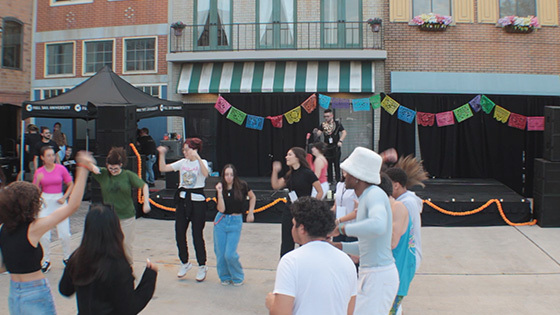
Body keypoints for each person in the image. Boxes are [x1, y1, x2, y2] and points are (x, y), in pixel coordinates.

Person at [0, 151, 94, 314]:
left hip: (14, 293)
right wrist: (83, 168)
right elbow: (73, 206)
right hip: (35, 292)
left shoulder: (3, 229)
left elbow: (2, 267)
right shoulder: (33, 228)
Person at [331, 147, 399, 314]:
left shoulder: (374, 195)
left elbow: (378, 225)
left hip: (378, 276)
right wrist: (338, 246)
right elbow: (366, 247)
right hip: (372, 274)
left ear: (358, 176)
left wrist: (341, 228)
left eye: (348, 172)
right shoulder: (367, 196)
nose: (344, 175)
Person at [59, 204, 158, 315]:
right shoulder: (118, 265)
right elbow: (129, 308)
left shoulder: (77, 258)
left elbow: (65, 290)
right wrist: (150, 277)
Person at [266, 197, 357, 315]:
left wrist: (272, 303)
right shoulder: (346, 261)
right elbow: (349, 310)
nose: (292, 229)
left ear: (302, 229)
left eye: (294, 225)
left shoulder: (291, 261)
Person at [157, 138, 210, 281]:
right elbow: (163, 168)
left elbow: (205, 174)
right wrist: (161, 154)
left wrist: (197, 157)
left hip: (197, 201)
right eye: (184, 149)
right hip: (182, 200)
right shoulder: (183, 163)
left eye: (187, 149)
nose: (184, 152)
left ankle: (202, 265)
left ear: (194, 149)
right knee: (179, 232)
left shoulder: (202, 162)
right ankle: (185, 262)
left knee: (197, 234)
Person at [87, 147, 151, 265]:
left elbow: (144, 186)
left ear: (121, 165)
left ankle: (128, 267)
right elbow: (86, 164)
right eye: (110, 168)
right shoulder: (104, 174)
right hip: (109, 216)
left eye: (116, 168)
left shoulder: (127, 175)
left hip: (126, 215)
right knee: (108, 244)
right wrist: (92, 166)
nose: (113, 171)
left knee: (126, 244)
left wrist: (146, 203)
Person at [271, 147, 323, 257]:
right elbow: (276, 185)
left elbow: (320, 192)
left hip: (303, 211)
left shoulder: (308, 173)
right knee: (286, 241)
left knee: (303, 240)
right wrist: (275, 171)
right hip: (289, 210)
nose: (286, 157)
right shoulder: (290, 174)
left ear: (297, 157)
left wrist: (311, 206)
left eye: (289, 155)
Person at [378, 173, 416, 315]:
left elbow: (392, 242)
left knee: (390, 310)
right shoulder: (388, 208)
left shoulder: (398, 207)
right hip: (394, 268)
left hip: (399, 268)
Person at [33, 146, 74, 273]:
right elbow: (35, 189)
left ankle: (67, 257)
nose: (52, 158)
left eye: (53, 155)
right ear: (43, 158)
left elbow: (71, 184)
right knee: (44, 235)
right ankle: (46, 259)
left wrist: (64, 197)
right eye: (49, 155)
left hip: (59, 200)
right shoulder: (39, 172)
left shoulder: (61, 169)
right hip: (45, 201)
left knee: (65, 234)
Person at [214, 164, 256, 286]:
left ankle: (238, 276)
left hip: (235, 220)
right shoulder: (220, 187)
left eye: (231, 174)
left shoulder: (242, 186)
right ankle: (225, 276)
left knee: (230, 254)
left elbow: (252, 197)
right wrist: (220, 193)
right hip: (222, 220)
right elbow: (221, 209)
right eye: (226, 174)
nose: (229, 177)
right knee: (220, 253)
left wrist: (250, 213)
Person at [386, 166, 424, 271]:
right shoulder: (405, 200)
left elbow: (398, 231)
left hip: (407, 255)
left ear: (396, 185)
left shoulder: (406, 203)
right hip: (403, 253)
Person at [314, 109, 347, 183]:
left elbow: (344, 132)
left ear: (332, 116)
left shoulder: (337, 124)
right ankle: (330, 180)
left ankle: (338, 179)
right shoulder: (323, 124)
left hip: (335, 146)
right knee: (328, 164)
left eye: (328, 116)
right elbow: (319, 132)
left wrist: (340, 141)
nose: (326, 118)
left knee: (336, 163)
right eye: (325, 116)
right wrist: (317, 132)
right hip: (327, 147)